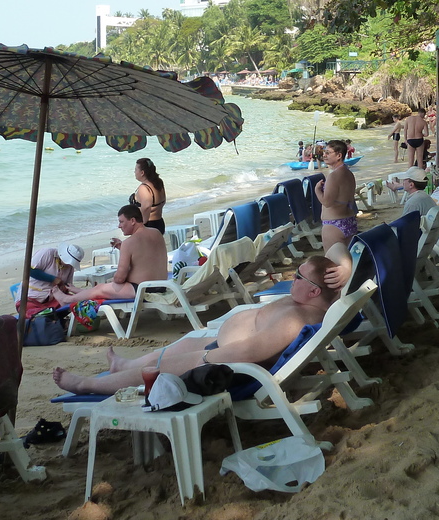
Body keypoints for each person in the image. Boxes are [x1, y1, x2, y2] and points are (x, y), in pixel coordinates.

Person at [52, 253, 349, 395]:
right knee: (171, 349)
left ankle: (87, 385)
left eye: (299, 276)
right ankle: (120, 366)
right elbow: (336, 250)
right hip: (223, 347)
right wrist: (345, 265)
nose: (293, 277)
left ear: (313, 291)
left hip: (226, 364)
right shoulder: (312, 300)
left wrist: (204, 357)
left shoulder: (298, 319)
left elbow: (252, 351)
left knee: (157, 370)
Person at [62, 205, 168, 304]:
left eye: (121, 222)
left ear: (132, 221)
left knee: (102, 289)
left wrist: (114, 279)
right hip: (161, 285)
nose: (119, 226)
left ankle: (67, 299)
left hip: (142, 289)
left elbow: (120, 278)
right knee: (102, 287)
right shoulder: (156, 233)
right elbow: (146, 256)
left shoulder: (129, 242)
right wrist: (123, 248)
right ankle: (83, 292)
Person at [314, 140, 357, 272]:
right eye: (324, 152)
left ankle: (338, 293)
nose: (324, 155)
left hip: (333, 224)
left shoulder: (334, 176)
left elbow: (327, 202)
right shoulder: (348, 173)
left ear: (339, 155)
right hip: (349, 221)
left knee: (332, 265)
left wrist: (317, 191)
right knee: (349, 264)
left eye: (328, 153)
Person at [15, 244, 84, 318]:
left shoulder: (70, 268)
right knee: (34, 313)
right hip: (31, 297)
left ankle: (54, 321)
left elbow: (67, 285)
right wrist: (53, 279)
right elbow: (29, 270)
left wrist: (67, 288)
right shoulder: (47, 253)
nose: (68, 265)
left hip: (52, 299)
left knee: (76, 303)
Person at [129, 157, 167, 233]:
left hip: (148, 225)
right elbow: (163, 201)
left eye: (136, 169)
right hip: (159, 222)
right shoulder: (158, 182)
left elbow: (146, 206)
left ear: (142, 173)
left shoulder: (144, 188)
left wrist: (142, 224)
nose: (134, 172)